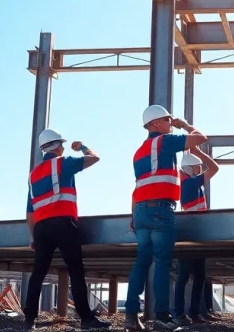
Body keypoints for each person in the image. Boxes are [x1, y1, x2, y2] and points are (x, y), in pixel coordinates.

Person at [125, 105, 208, 332]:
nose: (171, 123)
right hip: (161, 210)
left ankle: (131, 315)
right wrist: (186, 126)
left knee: (142, 261)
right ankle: (162, 317)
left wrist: (134, 215)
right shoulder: (163, 141)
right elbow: (201, 138)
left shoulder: (139, 151)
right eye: (167, 120)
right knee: (161, 262)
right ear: (155, 124)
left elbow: (138, 185)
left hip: (141, 211)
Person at [23, 129, 109, 330]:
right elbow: (94, 158)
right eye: (61, 144)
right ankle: (86, 319)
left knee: (38, 273)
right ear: (56, 146)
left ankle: (28, 320)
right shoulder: (62, 163)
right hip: (63, 225)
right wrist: (82, 147)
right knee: (76, 271)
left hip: (42, 229)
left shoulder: (33, 175)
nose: (63, 147)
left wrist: (32, 236)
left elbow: (29, 211)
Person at [173, 149, 218, 326]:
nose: (200, 169)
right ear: (189, 169)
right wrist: (198, 150)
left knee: (192, 275)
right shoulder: (190, 184)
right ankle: (188, 313)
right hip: (193, 234)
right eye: (197, 167)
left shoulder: (186, 182)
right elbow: (214, 168)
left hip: (192, 232)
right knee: (190, 274)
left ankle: (188, 312)